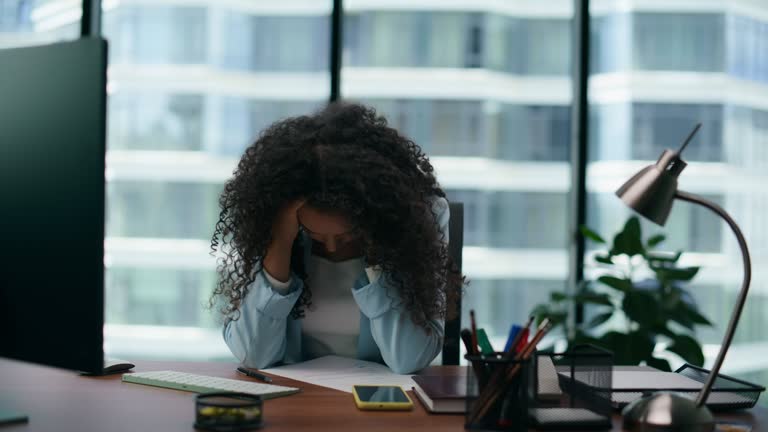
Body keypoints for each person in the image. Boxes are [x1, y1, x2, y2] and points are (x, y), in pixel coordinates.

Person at [210, 102, 463, 374]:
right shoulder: (274, 216)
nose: (331, 247)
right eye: (315, 235)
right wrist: (280, 241)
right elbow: (252, 356)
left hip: (382, 405)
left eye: (346, 236)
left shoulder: (419, 216)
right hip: (295, 403)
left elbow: (409, 359)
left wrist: (379, 249)